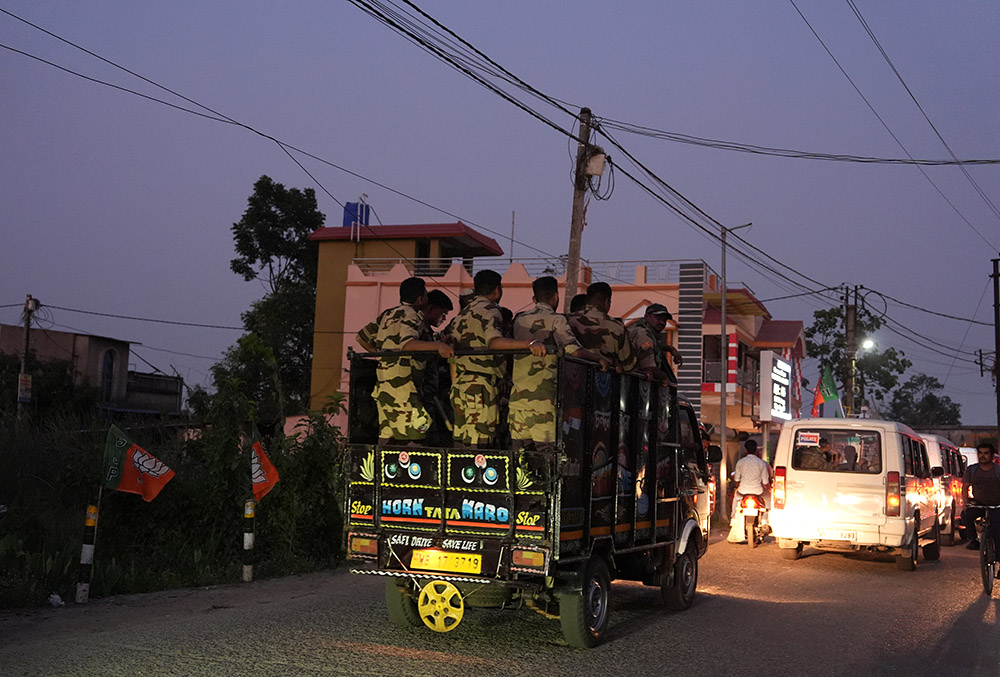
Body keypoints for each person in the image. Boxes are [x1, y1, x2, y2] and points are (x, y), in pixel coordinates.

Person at [507, 276, 607, 450]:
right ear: (556, 297)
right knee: (547, 456)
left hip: (518, 399)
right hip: (544, 400)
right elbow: (573, 350)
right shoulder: (556, 320)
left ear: (534, 299)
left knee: (519, 456)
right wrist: (599, 358)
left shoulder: (519, 319)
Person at [448, 270, 545, 448]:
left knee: (460, 444)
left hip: (460, 384)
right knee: (481, 445)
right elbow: (494, 342)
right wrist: (528, 344)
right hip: (481, 385)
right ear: (497, 290)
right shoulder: (490, 310)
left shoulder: (462, 314)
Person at [370, 277, 454, 444]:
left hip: (386, 384)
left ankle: (385, 467)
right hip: (404, 386)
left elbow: (363, 338)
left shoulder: (387, 314)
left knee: (389, 433)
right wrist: (438, 347)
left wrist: (384, 357)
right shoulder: (412, 314)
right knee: (419, 427)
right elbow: (407, 344)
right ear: (420, 299)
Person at [568, 282, 636, 371]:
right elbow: (628, 364)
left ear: (587, 300)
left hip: (571, 377)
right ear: (607, 301)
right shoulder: (617, 327)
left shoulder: (567, 320)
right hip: (604, 380)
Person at [962, 441, 1000, 551]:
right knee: (966, 515)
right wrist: (965, 503)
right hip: (978, 504)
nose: (982, 456)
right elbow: (965, 487)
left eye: (986, 453)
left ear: (992, 456)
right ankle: (973, 540)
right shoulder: (972, 470)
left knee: (997, 535)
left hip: (996, 506)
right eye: (980, 453)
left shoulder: (997, 470)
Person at [627, 303, 677, 385]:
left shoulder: (639, 330)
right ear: (646, 317)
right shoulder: (644, 334)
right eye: (658, 318)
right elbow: (649, 368)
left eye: (664, 320)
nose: (661, 322)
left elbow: (652, 346)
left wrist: (670, 348)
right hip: (633, 385)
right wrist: (664, 377)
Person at [732, 439, 771, 517]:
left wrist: (738, 486)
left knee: (736, 498)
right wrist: (769, 489)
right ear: (756, 450)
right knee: (769, 496)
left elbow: (736, 480)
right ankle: (765, 518)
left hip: (742, 491)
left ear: (745, 450)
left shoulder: (740, 462)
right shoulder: (762, 463)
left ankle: (733, 517)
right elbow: (765, 482)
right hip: (758, 491)